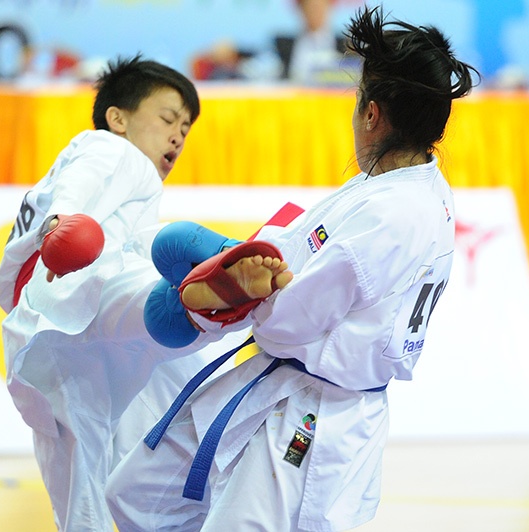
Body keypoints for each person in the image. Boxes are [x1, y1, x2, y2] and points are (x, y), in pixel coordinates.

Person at [106, 7, 479, 531]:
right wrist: (239, 258)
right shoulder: (397, 186)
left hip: (316, 415)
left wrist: (228, 294)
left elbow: (289, 322)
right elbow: (296, 244)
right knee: (137, 495)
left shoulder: (393, 213)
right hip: (279, 379)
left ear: (372, 114)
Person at [0, 54, 248, 532]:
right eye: (168, 119)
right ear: (118, 118)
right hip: (74, 307)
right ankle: (203, 289)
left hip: (65, 326)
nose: (178, 136)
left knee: (132, 455)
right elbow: (80, 186)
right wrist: (62, 223)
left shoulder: (115, 180)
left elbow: (11, 281)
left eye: (186, 129)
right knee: (165, 430)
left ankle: (195, 296)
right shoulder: (109, 148)